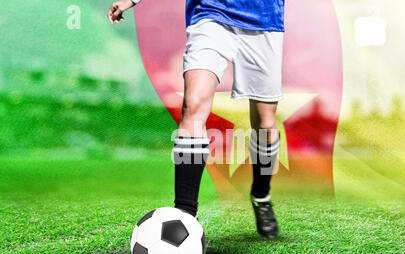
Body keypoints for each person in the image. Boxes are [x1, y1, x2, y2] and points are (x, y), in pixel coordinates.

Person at [108, 0, 284, 238]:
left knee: (265, 123)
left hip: (264, 21)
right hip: (211, 14)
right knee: (194, 104)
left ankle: (261, 196)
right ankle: (184, 215)